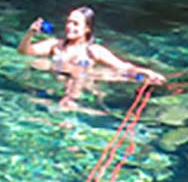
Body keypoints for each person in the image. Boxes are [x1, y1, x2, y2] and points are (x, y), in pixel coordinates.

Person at [20, 6, 162, 108]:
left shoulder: (93, 51)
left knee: (91, 75)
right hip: (57, 87)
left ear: (87, 28)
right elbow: (24, 51)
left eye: (75, 23)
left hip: (83, 91)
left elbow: (123, 66)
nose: (70, 26)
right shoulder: (55, 45)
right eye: (69, 22)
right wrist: (30, 33)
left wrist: (146, 72)